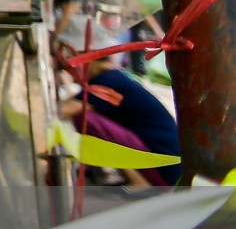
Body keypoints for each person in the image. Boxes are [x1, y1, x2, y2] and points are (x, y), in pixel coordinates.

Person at [58, 14, 181, 187]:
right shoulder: (111, 79)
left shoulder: (108, 81)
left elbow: (68, 109)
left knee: (85, 119)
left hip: (163, 169)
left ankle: (138, 182)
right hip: (165, 164)